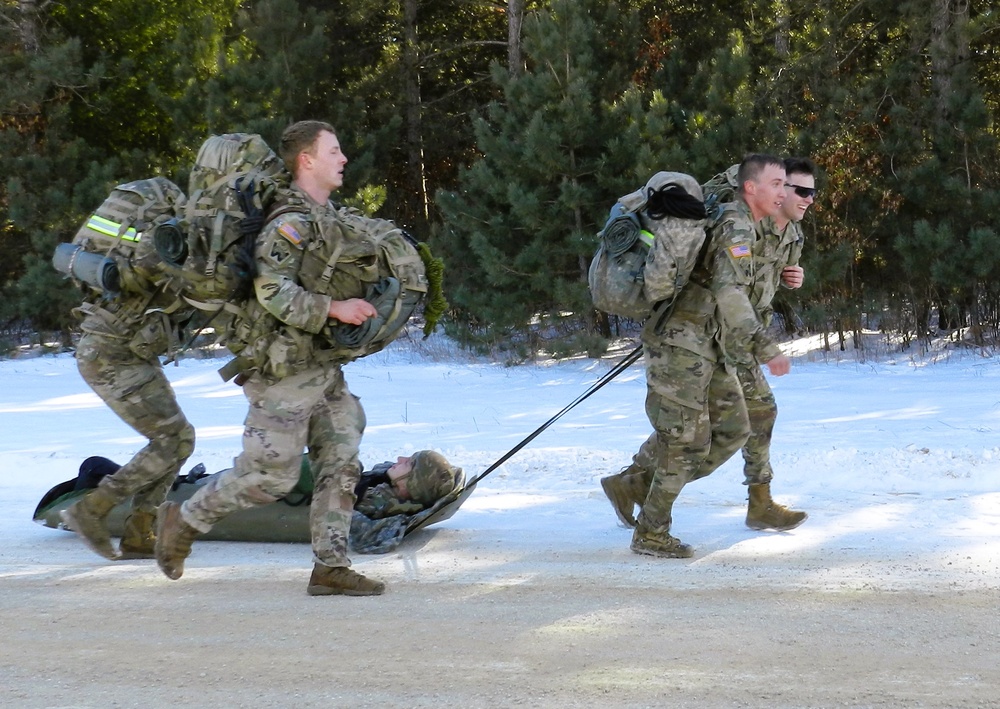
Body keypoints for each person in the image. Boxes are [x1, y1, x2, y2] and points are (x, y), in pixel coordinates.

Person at [154, 119, 388, 596]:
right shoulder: (290, 220)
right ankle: (184, 519)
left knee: (342, 456)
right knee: (271, 476)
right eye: (334, 151)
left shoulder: (325, 215)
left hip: (319, 367)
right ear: (306, 160)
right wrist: (334, 309)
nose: (343, 159)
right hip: (281, 370)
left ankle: (330, 566)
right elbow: (272, 291)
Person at [602, 157, 815, 533]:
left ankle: (640, 484)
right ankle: (646, 506)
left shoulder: (789, 235)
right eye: (790, 187)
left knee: (732, 426)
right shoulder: (738, 223)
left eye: (803, 190)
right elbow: (728, 287)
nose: (800, 197)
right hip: (703, 337)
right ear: (757, 188)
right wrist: (766, 347)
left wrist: (788, 280)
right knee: (691, 435)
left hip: (723, 337)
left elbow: (748, 285)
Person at [60, 290, 195, 561]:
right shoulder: (190, 253)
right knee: (169, 439)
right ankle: (93, 508)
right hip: (111, 354)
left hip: (126, 350)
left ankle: (140, 532)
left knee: (180, 439)